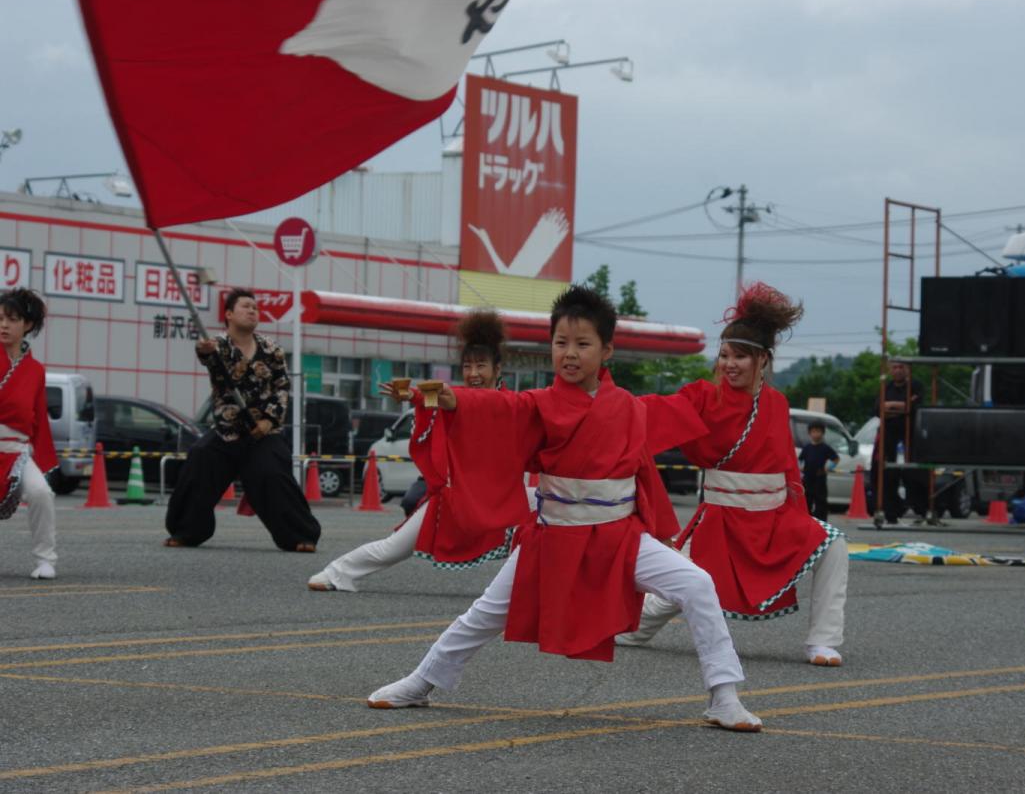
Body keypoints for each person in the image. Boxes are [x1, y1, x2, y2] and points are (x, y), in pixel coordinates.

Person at [366, 286, 762, 732]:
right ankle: (422, 681)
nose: (569, 354)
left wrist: (742, 363)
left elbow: (700, 405)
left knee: (697, 583)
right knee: (483, 615)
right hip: (552, 537)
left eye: (582, 344)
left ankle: (724, 696)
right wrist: (432, 396)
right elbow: (488, 405)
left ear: (607, 349)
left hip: (619, 538)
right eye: (560, 343)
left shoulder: (632, 408)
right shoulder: (537, 405)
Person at [617, 283, 850, 668]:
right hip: (719, 522)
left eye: (740, 356)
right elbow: (655, 410)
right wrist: (607, 407)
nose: (729, 364)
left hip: (773, 521)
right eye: (724, 355)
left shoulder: (776, 404)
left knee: (834, 545)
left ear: (763, 361)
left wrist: (798, 514)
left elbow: (788, 471)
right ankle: (623, 628)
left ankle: (823, 642)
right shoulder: (703, 397)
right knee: (663, 601)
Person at [307, 309, 524, 592]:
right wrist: (413, 396)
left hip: (500, 496)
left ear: (498, 369)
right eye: (467, 366)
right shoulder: (458, 398)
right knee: (394, 547)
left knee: (537, 531)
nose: (473, 373)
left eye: (481, 365)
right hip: (457, 495)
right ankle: (337, 572)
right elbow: (440, 395)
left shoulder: (514, 404)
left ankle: (533, 591)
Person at [164, 289, 321, 551]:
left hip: (263, 432)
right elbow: (206, 354)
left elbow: (282, 387)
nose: (252, 311)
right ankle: (186, 531)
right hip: (227, 431)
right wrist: (203, 350)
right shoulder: (218, 346)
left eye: (255, 308)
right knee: (200, 459)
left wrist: (269, 421)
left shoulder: (272, 350)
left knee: (273, 474)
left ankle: (300, 536)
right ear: (228, 314)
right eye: (246, 306)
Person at [0, 289, 58, 579]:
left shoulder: (35, 370)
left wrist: (39, 451)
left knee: (40, 492)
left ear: (29, 325)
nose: (4, 325)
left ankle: (45, 559)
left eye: (12, 319)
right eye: (0, 318)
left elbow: (37, 416)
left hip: (18, 451)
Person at [875, 359, 927, 524]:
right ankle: (891, 511)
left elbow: (914, 407)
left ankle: (921, 509)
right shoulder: (886, 387)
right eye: (895, 367)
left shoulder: (916, 386)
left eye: (901, 367)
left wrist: (892, 407)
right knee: (887, 474)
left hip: (911, 435)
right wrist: (902, 407)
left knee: (915, 472)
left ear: (907, 370)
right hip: (889, 435)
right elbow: (878, 409)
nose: (898, 370)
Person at [799, 421, 839, 522]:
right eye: (813, 431)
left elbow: (836, 459)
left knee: (821, 501)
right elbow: (800, 460)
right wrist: (801, 469)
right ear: (809, 433)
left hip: (820, 478)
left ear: (822, 433)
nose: (816, 434)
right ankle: (807, 520)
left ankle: (822, 522)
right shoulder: (807, 448)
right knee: (807, 500)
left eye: (818, 431)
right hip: (807, 479)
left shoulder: (825, 448)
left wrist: (828, 468)